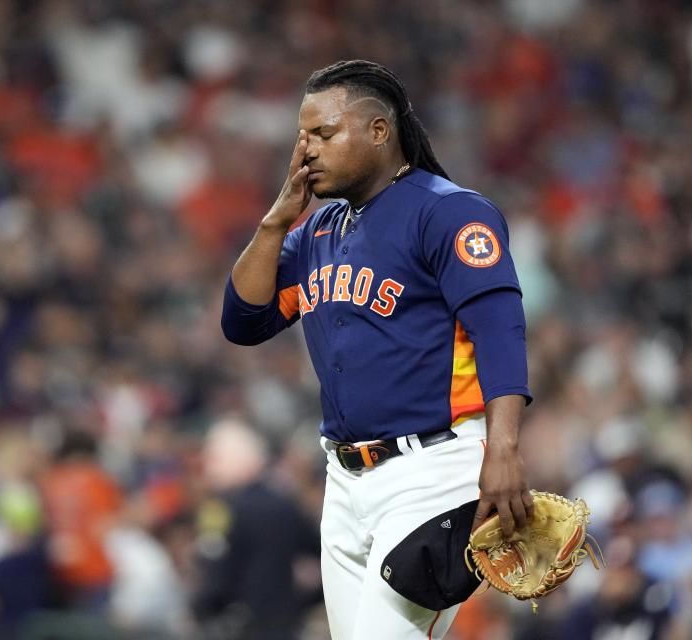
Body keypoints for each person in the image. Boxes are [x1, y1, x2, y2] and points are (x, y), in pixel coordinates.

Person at [222, 59, 533, 639]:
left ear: (378, 131)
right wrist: (272, 224)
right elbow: (243, 322)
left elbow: (501, 330)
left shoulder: (447, 211)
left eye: (324, 132)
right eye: (302, 134)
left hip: (433, 470)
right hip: (343, 481)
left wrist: (505, 450)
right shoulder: (316, 231)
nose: (306, 149)